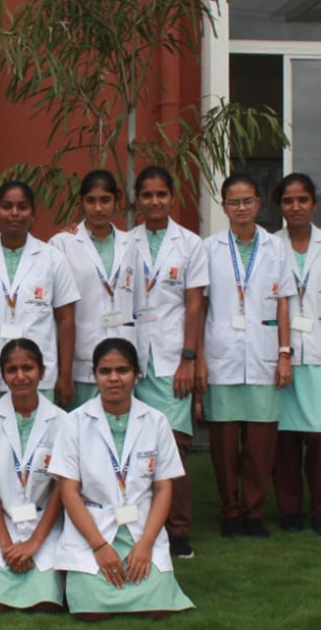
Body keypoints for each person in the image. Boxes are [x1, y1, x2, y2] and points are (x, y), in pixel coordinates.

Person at [50, 338, 193, 620]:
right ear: (94, 375)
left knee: (157, 609)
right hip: (93, 530)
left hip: (141, 529)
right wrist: (99, 546)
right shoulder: (74, 422)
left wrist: (146, 543)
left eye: (123, 370)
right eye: (105, 371)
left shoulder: (156, 421)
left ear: (136, 374)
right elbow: (68, 491)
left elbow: (164, 488)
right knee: (91, 611)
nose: (114, 378)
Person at [200, 172, 295, 538]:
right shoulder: (209, 249)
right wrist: (200, 358)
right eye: (233, 202)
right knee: (223, 447)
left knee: (260, 445)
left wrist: (284, 354)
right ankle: (230, 511)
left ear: (259, 203)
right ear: (224, 206)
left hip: (263, 357)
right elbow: (201, 305)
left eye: (248, 201)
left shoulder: (276, 247)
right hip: (222, 356)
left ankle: (254, 512)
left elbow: (283, 303)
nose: (241, 208)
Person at [130, 166, 207, 559]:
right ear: (137, 199)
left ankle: (177, 530)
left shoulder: (191, 244)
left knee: (173, 446)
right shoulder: (126, 242)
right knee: (135, 447)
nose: (154, 201)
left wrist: (188, 358)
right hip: (132, 358)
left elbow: (194, 304)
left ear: (172, 197)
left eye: (161, 194)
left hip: (172, 359)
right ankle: (141, 524)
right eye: (147, 195)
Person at [271, 173, 321, 537]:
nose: (295, 207)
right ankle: (289, 510)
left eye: (302, 199)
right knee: (284, 440)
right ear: (280, 206)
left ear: (314, 203)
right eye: (288, 201)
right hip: (281, 355)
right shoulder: (270, 246)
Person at [0, 339, 66, 612]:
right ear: (2, 375)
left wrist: (34, 543)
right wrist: (5, 544)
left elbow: (60, 489)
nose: (20, 376)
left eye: (28, 368)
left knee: (46, 602)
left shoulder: (62, 421)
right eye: (12, 370)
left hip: (42, 521)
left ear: (42, 371)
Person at [0, 181, 79, 408]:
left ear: (33, 214)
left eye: (22, 207)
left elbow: (66, 319)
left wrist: (65, 374)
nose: (14, 213)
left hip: (40, 375)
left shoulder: (53, 258)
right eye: (6, 206)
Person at [50, 170, 137, 410]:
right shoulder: (62, 243)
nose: (98, 208)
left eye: (105, 200)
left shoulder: (131, 243)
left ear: (117, 201)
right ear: (81, 202)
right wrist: (64, 371)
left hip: (123, 349)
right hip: (82, 356)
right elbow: (58, 309)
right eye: (91, 201)